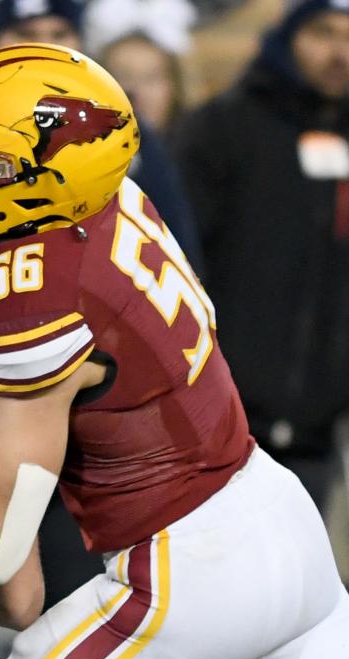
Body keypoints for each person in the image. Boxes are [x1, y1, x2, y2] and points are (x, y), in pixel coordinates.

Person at [0, 42, 349, 659]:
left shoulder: (28, 287)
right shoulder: (112, 196)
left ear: (38, 181)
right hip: (280, 519)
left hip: (186, 569)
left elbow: (1, 545)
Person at [173, 0, 349, 530]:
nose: (339, 53)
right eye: (323, 33)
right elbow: (174, 260)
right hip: (209, 427)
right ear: (287, 36)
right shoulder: (222, 130)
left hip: (316, 437)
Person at [83, 0, 197, 138]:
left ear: (175, 85)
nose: (139, 92)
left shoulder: (201, 149)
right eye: (124, 78)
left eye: (151, 78)